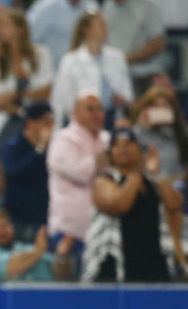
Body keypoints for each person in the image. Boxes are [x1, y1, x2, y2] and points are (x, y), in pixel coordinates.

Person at [83, 128, 187, 282]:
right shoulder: (104, 181)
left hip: (154, 264)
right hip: (115, 267)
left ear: (141, 149)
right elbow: (119, 205)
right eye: (116, 145)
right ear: (110, 153)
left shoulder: (153, 182)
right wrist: (137, 171)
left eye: (129, 144)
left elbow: (175, 205)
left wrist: (156, 174)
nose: (122, 148)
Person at [0, 6, 54, 143]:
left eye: (4, 25)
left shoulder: (41, 54)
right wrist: (21, 102)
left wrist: (15, 96)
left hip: (36, 122)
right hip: (1, 122)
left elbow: (46, 92)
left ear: (20, 29)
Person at [47, 90, 110, 251]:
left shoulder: (107, 139)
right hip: (70, 232)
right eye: (90, 109)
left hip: (104, 230)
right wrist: (109, 154)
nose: (97, 114)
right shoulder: (63, 139)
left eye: (99, 109)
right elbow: (80, 173)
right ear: (75, 112)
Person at [51, 8, 132, 128]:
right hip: (80, 123)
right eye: (100, 25)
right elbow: (59, 100)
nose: (105, 29)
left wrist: (122, 99)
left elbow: (128, 94)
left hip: (111, 119)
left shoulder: (117, 57)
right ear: (87, 29)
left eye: (105, 25)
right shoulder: (70, 60)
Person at [99, 0, 166, 95]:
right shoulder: (107, 4)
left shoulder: (148, 4)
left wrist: (126, 59)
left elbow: (158, 43)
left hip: (143, 75)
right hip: (114, 74)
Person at [27, 0, 99, 69]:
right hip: (54, 75)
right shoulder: (44, 7)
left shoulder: (92, 5)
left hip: (85, 73)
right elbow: (27, 39)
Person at [1, 101, 54, 235]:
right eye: (46, 121)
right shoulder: (13, 146)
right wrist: (39, 149)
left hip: (45, 216)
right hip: (20, 218)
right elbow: (16, 173)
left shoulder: (53, 147)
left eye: (52, 122)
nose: (50, 127)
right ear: (31, 122)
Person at [0, 207, 73, 281]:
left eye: (5, 225)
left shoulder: (26, 248)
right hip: (13, 302)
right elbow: (10, 269)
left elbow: (62, 275)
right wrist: (38, 251)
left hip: (50, 297)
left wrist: (62, 256)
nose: (1, 231)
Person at [129, 82, 188, 180]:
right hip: (149, 187)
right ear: (146, 109)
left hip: (176, 186)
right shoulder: (139, 131)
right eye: (156, 106)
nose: (160, 110)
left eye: (165, 106)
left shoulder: (182, 132)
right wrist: (140, 126)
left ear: (173, 109)